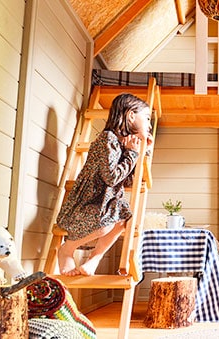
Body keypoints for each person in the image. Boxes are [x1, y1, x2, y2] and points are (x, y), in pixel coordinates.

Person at [56, 93, 153, 276]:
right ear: (131, 115)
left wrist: (143, 151)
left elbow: (129, 180)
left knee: (125, 216)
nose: (149, 125)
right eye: (147, 118)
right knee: (106, 224)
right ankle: (67, 249)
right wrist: (132, 154)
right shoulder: (108, 138)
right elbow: (111, 178)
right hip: (87, 203)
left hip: (104, 204)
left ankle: (94, 259)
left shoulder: (125, 145)